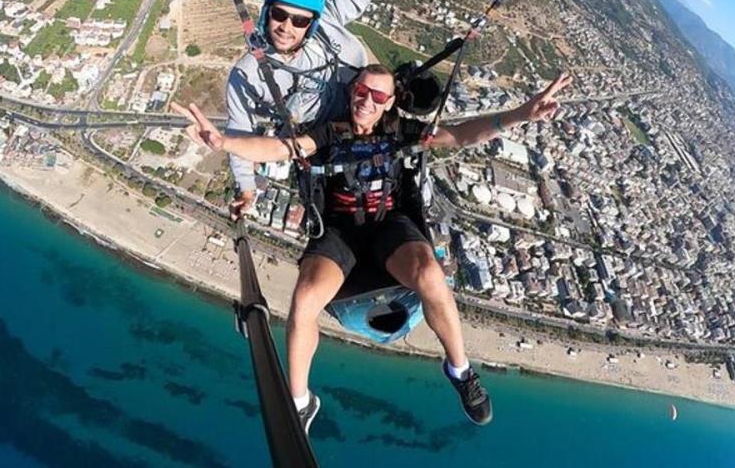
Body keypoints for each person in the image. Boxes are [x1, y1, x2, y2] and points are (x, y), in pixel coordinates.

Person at [176, 66, 573, 432]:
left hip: (388, 225)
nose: (367, 101)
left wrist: (521, 114)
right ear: (352, 92)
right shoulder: (329, 133)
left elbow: (462, 135)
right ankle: (299, 402)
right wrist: (225, 143)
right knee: (306, 297)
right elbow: (282, 148)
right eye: (362, 92)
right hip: (339, 230)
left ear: (390, 102)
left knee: (431, 275)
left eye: (378, 96)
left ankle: (460, 370)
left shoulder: (400, 131)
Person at [226, 0, 381, 220]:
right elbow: (238, 132)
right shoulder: (250, 72)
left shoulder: (327, 23)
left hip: (367, 113)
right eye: (279, 15)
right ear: (266, 13)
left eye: (299, 20)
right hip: (317, 143)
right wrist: (246, 189)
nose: (287, 27)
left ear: (312, 24)